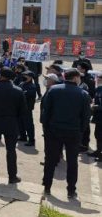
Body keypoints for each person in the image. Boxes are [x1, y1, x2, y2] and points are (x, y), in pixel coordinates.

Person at [41, 69, 91, 198]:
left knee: (50, 160)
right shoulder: (83, 94)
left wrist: (46, 128)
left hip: (53, 131)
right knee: (72, 162)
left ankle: (46, 186)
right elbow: (86, 117)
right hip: (73, 133)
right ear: (75, 78)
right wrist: (80, 131)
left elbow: (46, 111)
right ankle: (71, 190)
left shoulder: (53, 90)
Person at [0, 67, 28, 183]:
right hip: (11, 123)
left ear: (0, 76)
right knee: (11, 150)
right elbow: (23, 111)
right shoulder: (18, 91)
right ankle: (12, 176)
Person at [19, 71, 37, 146]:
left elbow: (29, 95)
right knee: (20, 123)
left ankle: (31, 140)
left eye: (25, 75)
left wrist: (23, 93)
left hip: (27, 108)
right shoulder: (21, 84)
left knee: (28, 124)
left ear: (30, 77)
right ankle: (23, 136)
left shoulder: (32, 86)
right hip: (20, 107)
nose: (23, 76)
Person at [88, 75, 102, 161]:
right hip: (98, 117)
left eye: (100, 79)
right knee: (98, 135)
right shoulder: (98, 89)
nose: (98, 81)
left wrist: (95, 107)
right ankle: (98, 151)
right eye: (98, 79)